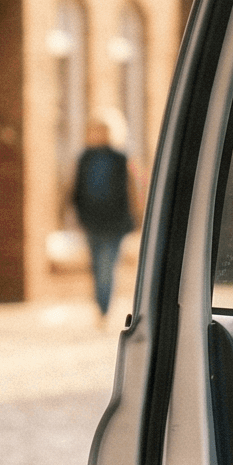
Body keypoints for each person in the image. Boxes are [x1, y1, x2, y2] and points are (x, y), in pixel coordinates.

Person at [70, 117, 141, 317]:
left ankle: (103, 307)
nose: (98, 135)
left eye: (103, 130)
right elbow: (76, 188)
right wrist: (76, 213)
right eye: (95, 130)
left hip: (115, 222)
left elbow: (134, 189)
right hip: (91, 220)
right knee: (95, 265)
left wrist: (137, 216)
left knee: (107, 266)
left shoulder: (122, 158)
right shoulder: (84, 158)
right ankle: (100, 303)